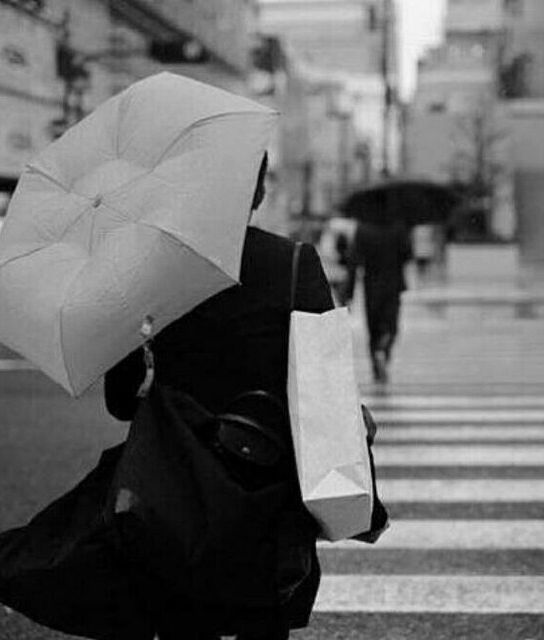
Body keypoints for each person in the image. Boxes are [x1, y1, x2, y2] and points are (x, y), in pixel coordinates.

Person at [104, 153, 335, 640]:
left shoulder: (154, 271)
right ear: (258, 193)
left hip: (177, 489)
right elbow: (325, 388)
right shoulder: (295, 263)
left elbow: (120, 401)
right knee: (264, 619)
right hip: (269, 486)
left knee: (183, 619)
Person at [345, 219, 412, 383]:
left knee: (373, 327)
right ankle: (384, 348)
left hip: (371, 284)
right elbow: (407, 254)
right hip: (393, 283)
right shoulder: (398, 227)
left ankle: (376, 363)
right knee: (391, 325)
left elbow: (354, 261)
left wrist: (349, 293)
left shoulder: (363, 229)